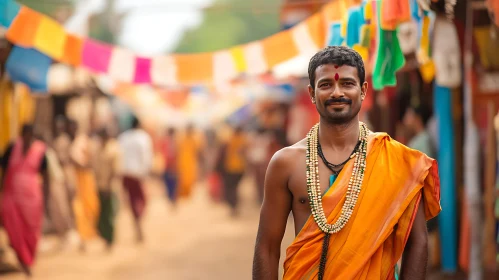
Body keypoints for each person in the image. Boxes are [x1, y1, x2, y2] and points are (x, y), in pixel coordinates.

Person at [252, 46, 441, 280]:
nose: (337, 92)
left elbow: (418, 243)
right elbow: (267, 248)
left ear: (363, 90)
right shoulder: (286, 163)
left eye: (347, 84)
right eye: (326, 85)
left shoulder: (396, 161)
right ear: (311, 93)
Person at [0, 124, 48, 276]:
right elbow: (4, 170)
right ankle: (22, 261)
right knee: (14, 231)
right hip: (12, 198)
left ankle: (28, 260)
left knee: (31, 232)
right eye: (25, 134)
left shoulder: (40, 151)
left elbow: (46, 177)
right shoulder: (12, 148)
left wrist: (46, 198)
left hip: (32, 201)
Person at [403, 104, 439, 268]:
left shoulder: (420, 141)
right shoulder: (423, 139)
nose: (405, 119)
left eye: (408, 115)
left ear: (416, 118)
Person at [118, 116, 153, 243]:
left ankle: (137, 222)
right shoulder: (143, 138)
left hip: (126, 173)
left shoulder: (123, 137)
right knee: (141, 200)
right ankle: (138, 223)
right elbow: (146, 156)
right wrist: (146, 172)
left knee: (133, 200)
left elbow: (119, 155)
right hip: (138, 173)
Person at [68, 119, 100, 251]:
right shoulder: (74, 141)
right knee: (79, 207)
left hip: (86, 178)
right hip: (78, 179)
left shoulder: (83, 141)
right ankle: (83, 237)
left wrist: (83, 164)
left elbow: (89, 160)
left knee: (90, 206)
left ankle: (88, 234)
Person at [93, 128, 120, 250]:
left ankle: (110, 239)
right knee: (101, 214)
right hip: (100, 186)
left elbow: (115, 170)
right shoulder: (97, 149)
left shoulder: (114, 149)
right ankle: (104, 236)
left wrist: (108, 187)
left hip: (110, 187)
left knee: (109, 214)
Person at [222, 126, 248, 217]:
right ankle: (234, 205)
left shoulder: (229, 139)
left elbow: (224, 153)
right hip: (240, 168)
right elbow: (245, 153)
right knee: (236, 188)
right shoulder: (243, 140)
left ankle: (233, 205)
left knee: (231, 188)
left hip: (231, 168)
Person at [177, 124, 201, 199]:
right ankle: (183, 193)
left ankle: (188, 193)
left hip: (190, 161)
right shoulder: (182, 138)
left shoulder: (194, 139)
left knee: (189, 178)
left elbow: (197, 150)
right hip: (183, 161)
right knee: (183, 178)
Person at [160, 127, 179, 208]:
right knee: (170, 182)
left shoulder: (175, 142)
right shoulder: (170, 142)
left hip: (172, 166)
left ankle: (172, 198)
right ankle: (171, 198)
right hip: (169, 166)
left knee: (172, 183)